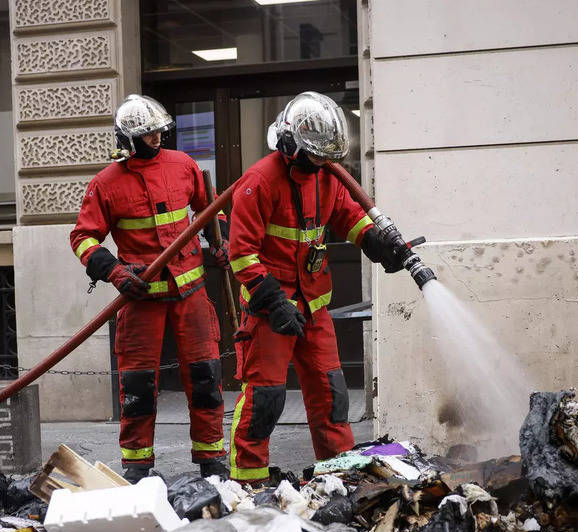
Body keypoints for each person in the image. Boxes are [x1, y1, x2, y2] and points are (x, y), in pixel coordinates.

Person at [225, 91, 412, 483]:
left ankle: (339, 476)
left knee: (331, 394)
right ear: (292, 145)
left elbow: (350, 216)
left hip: (314, 308)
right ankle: (247, 480)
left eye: (328, 158)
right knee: (265, 399)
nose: (322, 164)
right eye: (316, 156)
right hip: (269, 312)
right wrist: (274, 302)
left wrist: (378, 245)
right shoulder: (256, 183)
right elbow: (241, 254)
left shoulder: (326, 175)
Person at [69, 94, 230, 482]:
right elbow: (83, 238)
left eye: (159, 131)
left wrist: (221, 241)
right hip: (141, 299)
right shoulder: (105, 184)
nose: (157, 138)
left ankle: (210, 458)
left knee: (206, 377)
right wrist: (115, 272)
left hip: (191, 295)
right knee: (138, 386)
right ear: (128, 139)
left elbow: (211, 210)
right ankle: (137, 465)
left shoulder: (184, 166)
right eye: (148, 134)